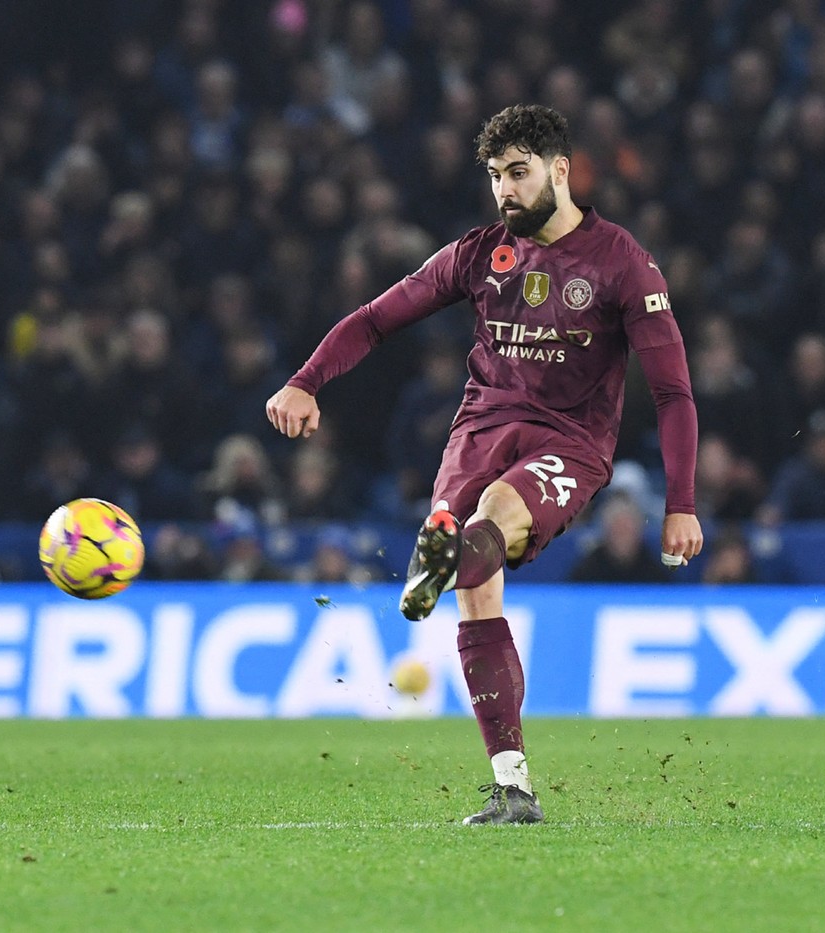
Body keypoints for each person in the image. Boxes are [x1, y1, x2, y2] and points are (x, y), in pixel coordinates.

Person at [266, 105, 702, 825]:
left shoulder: (623, 263)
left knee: (494, 514)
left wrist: (680, 501)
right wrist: (306, 380)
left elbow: (674, 390)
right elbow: (376, 317)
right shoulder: (480, 253)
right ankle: (513, 787)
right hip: (480, 429)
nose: (505, 190)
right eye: (496, 176)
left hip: (569, 443)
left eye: (519, 173)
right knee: (475, 574)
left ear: (561, 172)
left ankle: (441, 544)